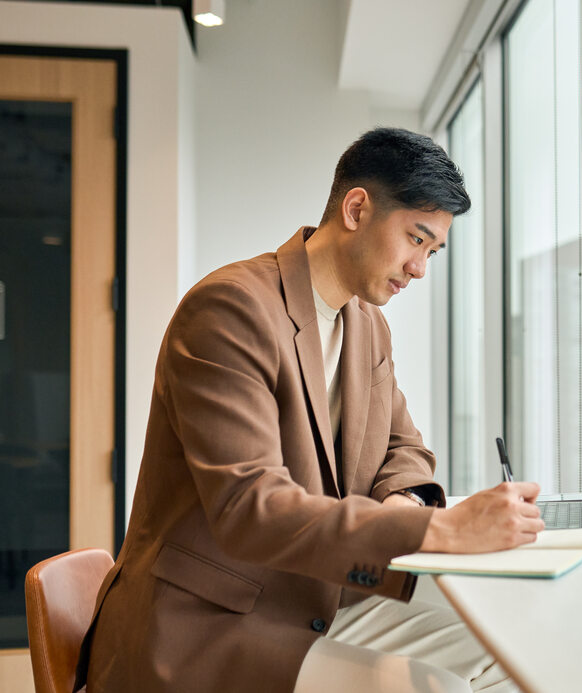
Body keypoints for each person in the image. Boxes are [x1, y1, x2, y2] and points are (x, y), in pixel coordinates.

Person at [75, 127, 544, 692]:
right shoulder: (230, 310)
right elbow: (251, 507)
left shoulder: (367, 325)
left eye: (433, 251)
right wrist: (436, 530)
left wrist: (403, 502)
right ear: (356, 208)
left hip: (314, 597)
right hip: (207, 628)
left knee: (509, 651)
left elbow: (404, 446)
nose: (420, 267)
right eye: (416, 239)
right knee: (434, 687)